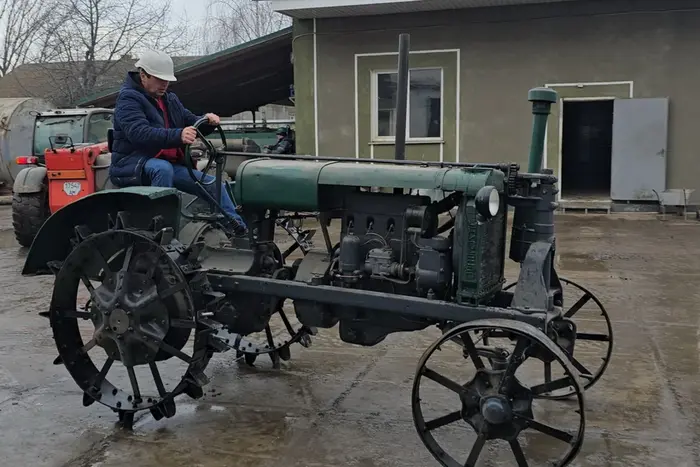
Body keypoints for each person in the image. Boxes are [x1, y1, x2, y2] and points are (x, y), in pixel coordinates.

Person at [109, 49, 247, 235]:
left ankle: (238, 228)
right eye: (160, 79)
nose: (164, 84)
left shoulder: (170, 100)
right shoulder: (128, 99)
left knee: (212, 183)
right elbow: (139, 134)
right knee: (162, 169)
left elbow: (191, 122)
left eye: (167, 80)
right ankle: (161, 230)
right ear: (143, 75)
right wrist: (178, 135)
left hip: (168, 164)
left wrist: (207, 121)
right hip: (134, 163)